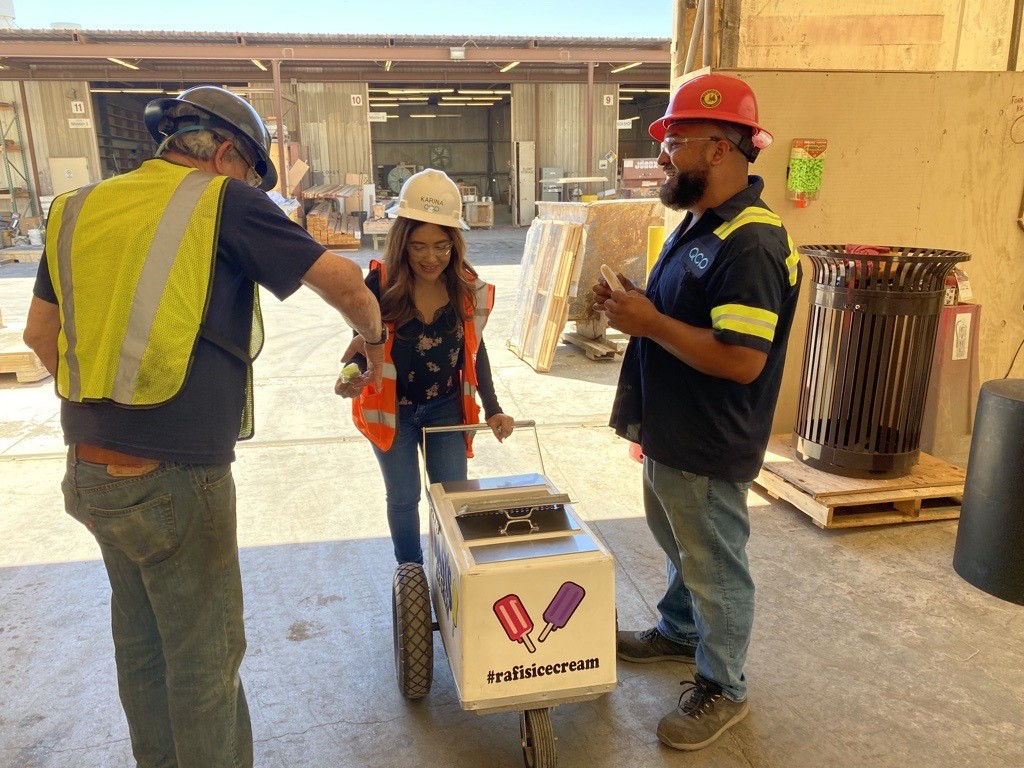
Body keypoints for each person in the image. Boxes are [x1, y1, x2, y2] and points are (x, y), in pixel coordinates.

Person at [22, 86, 385, 768]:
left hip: (90, 472)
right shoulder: (222, 198)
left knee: (144, 650)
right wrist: (372, 339)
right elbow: (344, 284)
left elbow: (41, 335)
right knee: (204, 662)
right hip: (176, 479)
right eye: (250, 170)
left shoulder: (77, 207)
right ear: (225, 154)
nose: (250, 184)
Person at [593, 73, 802, 751]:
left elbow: (742, 359)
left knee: (716, 565)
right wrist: (638, 310)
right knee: (681, 545)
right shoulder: (702, 224)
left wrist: (649, 323)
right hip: (673, 432)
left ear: (718, 148)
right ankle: (679, 633)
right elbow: (684, 320)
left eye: (674, 140)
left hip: (711, 442)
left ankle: (724, 686)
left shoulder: (752, 243)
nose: (663, 155)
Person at [336, 169, 515, 564]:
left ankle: (453, 572)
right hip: (391, 411)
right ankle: (411, 574)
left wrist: (494, 406)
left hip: (445, 408)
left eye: (441, 246)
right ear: (402, 242)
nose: (431, 257)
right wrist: (349, 376)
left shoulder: (465, 290)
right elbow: (357, 349)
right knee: (403, 499)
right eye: (419, 247)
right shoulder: (378, 287)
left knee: (451, 497)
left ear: (455, 244)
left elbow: (474, 351)